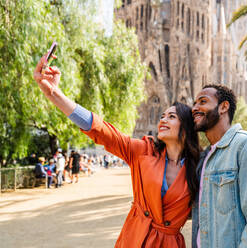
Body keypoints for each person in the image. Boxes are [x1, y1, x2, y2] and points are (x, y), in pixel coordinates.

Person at [33, 53, 200, 247]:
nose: (162, 119)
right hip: (135, 239)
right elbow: (102, 131)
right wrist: (53, 93)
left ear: (186, 126)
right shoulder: (144, 151)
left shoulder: (199, 166)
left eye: (171, 116)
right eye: (162, 116)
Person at [191, 84, 247, 247]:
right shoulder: (206, 157)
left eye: (202, 101)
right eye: (194, 103)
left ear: (224, 107)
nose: (195, 108)